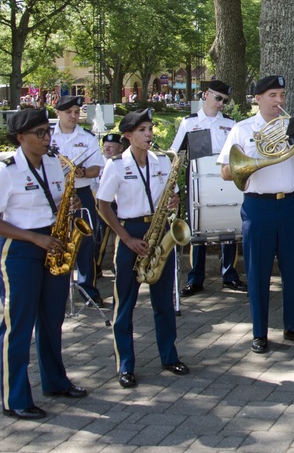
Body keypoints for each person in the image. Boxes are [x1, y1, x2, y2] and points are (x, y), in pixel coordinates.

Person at [0, 109, 88, 420]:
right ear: (20, 137)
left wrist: (71, 206)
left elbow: (56, 199)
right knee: (19, 326)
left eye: (47, 131)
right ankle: (15, 399)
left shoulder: (54, 163)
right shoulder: (7, 171)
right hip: (21, 250)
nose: (46, 138)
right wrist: (34, 239)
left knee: (52, 320)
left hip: (52, 243)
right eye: (39, 133)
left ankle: (55, 381)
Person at [218, 75, 294, 354]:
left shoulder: (293, 126)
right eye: (273, 95)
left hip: (289, 204)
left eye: (282, 95)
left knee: (293, 269)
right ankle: (259, 333)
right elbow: (226, 171)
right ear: (258, 99)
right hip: (257, 206)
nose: (280, 101)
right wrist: (251, 165)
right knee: (257, 271)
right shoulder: (242, 129)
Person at [96, 109, 190, 388]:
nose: (149, 134)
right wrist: (125, 238)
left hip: (159, 232)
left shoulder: (161, 161)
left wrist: (173, 200)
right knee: (124, 303)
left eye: (150, 129)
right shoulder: (115, 165)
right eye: (142, 130)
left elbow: (169, 194)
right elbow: (103, 206)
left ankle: (169, 356)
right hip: (131, 232)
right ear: (128, 135)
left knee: (164, 301)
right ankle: (125, 364)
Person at [170, 80, 246, 297]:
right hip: (198, 183)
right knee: (197, 227)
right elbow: (176, 154)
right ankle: (195, 278)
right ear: (206, 95)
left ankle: (230, 275)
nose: (221, 103)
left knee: (229, 227)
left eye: (225, 100)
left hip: (224, 181)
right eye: (218, 98)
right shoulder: (189, 123)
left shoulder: (231, 125)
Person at [50, 95, 106, 307]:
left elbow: (96, 169)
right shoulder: (48, 136)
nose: (73, 116)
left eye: (76, 112)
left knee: (85, 241)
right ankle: (56, 289)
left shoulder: (87, 137)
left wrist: (82, 172)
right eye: (68, 112)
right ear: (58, 113)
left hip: (80, 194)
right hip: (55, 195)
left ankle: (88, 290)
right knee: (55, 239)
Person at [94, 133, 126, 276]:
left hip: (120, 204)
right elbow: (93, 186)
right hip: (102, 204)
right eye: (105, 146)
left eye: (111, 147)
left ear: (120, 148)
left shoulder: (123, 162)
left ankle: (118, 266)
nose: (107, 149)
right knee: (101, 232)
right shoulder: (98, 163)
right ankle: (95, 267)